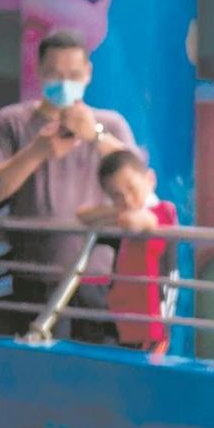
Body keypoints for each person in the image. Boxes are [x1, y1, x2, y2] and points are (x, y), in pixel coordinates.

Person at [0, 29, 134, 340]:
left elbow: (140, 186)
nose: (64, 83)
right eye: (54, 74)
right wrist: (37, 151)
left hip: (94, 277)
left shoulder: (111, 124)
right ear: (38, 72)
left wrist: (96, 135)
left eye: (73, 74)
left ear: (88, 73)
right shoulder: (11, 122)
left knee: (94, 369)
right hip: (29, 274)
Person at [78, 149, 176, 353]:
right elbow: (83, 215)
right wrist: (119, 210)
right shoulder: (125, 213)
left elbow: (139, 221)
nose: (128, 200)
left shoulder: (164, 210)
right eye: (117, 196)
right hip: (123, 319)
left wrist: (120, 212)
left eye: (132, 188)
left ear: (150, 180)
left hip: (150, 326)